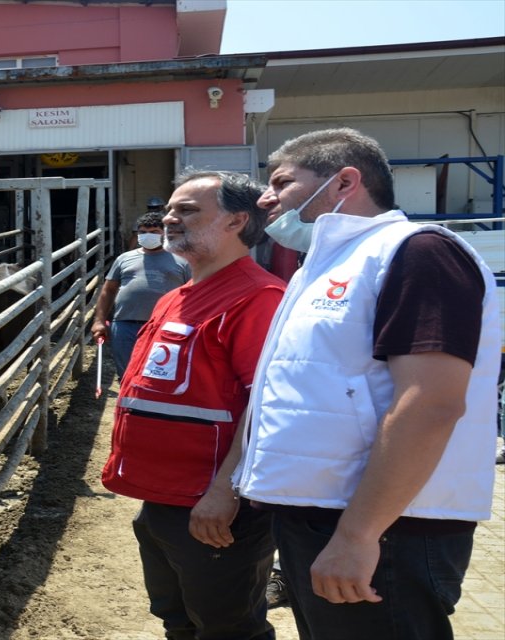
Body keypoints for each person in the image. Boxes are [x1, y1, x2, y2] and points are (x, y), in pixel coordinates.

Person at [235, 128, 501, 640]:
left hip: (387, 529)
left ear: (345, 182)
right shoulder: (326, 264)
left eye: (282, 182)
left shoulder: (417, 252)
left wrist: (358, 534)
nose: (266, 197)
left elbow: (432, 402)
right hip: (325, 516)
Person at [102, 170, 286, 640]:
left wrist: (226, 492)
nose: (169, 218)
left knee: (229, 628)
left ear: (237, 221)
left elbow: (267, 405)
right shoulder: (179, 297)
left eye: (187, 210)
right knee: (177, 618)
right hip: (164, 499)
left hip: (215, 509)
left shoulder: (258, 299)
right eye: (169, 209)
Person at [91, 212, 191, 378]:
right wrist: (99, 321)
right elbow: (108, 290)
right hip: (125, 325)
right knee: (127, 373)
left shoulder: (182, 260)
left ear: (164, 233)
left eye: (153, 232)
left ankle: (152, 403)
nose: (147, 236)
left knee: (159, 373)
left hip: (164, 326)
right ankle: (130, 404)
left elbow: (192, 293)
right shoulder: (124, 259)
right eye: (143, 232)